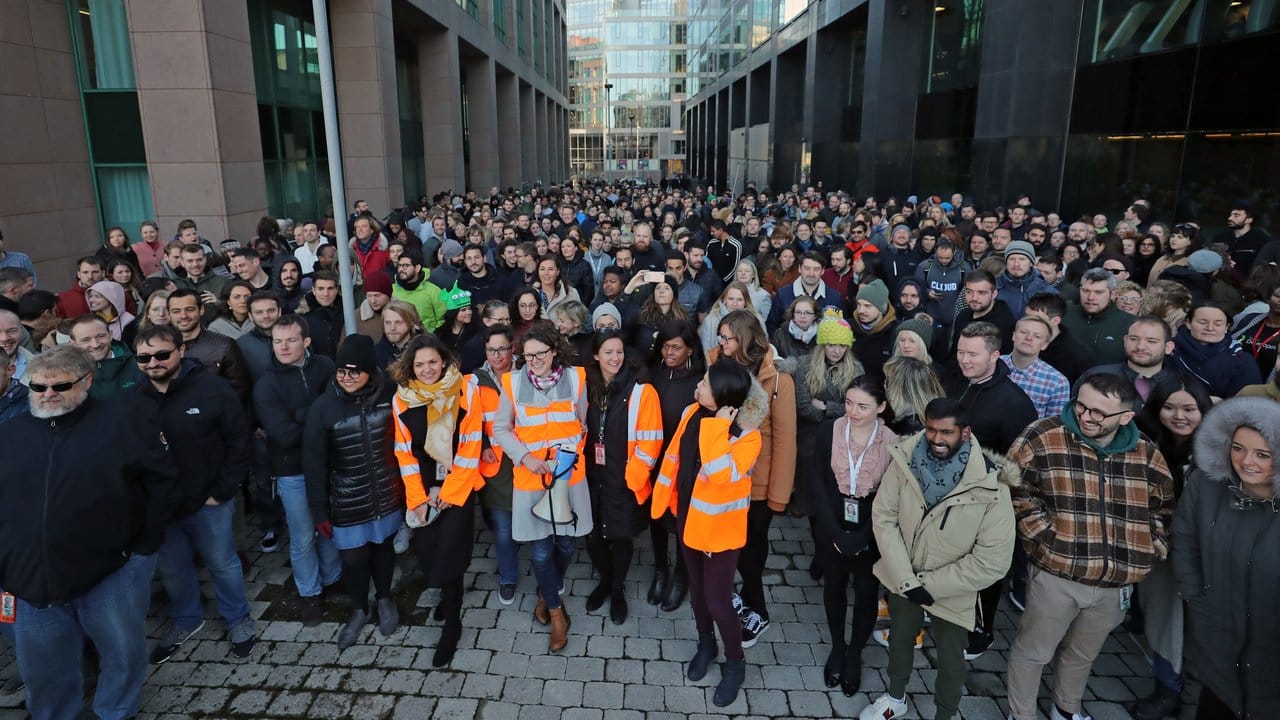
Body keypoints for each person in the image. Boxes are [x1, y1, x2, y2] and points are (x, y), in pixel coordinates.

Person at [0, 346, 175, 720]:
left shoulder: (123, 423)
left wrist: (144, 548)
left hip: (110, 572)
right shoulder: (10, 435)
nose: (48, 394)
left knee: (122, 652)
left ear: (87, 381)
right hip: (29, 581)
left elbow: (162, 484)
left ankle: (116, 710)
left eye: (60, 385)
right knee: (43, 667)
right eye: (38, 386)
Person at [1005, 373, 1175, 720]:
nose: (1085, 416)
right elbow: (1015, 487)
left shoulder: (1146, 453)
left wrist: (1149, 545)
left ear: (1126, 417)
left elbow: (1163, 506)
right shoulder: (1043, 435)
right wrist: (1045, 537)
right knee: (1034, 651)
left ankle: (1066, 709)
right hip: (1057, 574)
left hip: (1115, 584)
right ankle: (1021, 714)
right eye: (1081, 405)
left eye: (1099, 412)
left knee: (1082, 654)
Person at [861, 398, 1015, 720]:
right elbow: (884, 516)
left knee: (951, 659)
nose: (936, 439)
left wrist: (927, 585)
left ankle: (944, 714)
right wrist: (906, 579)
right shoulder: (904, 461)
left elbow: (993, 560)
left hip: (953, 590)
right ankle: (895, 698)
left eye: (946, 432)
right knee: (900, 641)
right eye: (931, 429)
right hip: (903, 579)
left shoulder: (991, 484)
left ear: (966, 432)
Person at [131, 325, 256, 664]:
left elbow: (238, 441)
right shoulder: (132, 399)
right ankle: (188, 619)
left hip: (209, 501)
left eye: (161, 354)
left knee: (223, 564)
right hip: (162, 508)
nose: (153, 362)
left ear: (181, 351)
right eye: (144, 357)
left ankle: (238, 619)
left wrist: (223, 490)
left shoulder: (212, 389)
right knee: (173, 569)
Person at [650, 358, 765, 708]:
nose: (698, 385)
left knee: (718, 600)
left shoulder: (748, 437)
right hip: (688, 520)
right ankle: (706, 643)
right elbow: (676, 459)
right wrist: (667, 501)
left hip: (721, 532)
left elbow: (720, 474)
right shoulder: (690, 413)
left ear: (724, 396)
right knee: (698, 592)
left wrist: (717, 428)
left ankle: (735, 663)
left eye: (705, 383)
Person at [1172, 396, 1280, 720]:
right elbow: (1185, 538)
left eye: (1263, 454)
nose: (1246, 461)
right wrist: (1195, 596)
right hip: (1217, 641)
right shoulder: (1206, 485)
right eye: (1237, 448)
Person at [492, 321, 592, 653]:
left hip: (567, 474)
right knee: (539, 549)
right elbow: (501, 429)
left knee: (565, 544)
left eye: (541, 354)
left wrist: (568, 455)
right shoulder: (512, 382)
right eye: (528, 354)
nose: (533, 360)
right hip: (531, 475)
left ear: (554, 351)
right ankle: (555, 610)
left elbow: (582, 424)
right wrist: (524, 457)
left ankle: (546, 591)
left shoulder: (577, 378)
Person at [303, 335, 403, 650]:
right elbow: (314, 463)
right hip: (347, 500)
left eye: (354, 372)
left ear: (369, 372)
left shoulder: (388, 395)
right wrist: (319, 510)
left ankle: (385, 597)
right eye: (341, 372)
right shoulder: (323, 407)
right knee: (354, 560)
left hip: (385, 493)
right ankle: (359, 608)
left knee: (383, 550)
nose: (346, 378)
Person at [709, 309, 796, 646]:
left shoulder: (778, 380)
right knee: (733, 547)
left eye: (727, 338)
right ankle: (743, 602)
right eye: (720, 337)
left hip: (759, 483)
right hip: (727, 476)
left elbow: (786, 441)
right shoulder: (718, 364)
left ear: (743, 339)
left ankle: (757, 608)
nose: (721, 343)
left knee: (752, 550)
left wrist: (779, 496)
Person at [1128, 377, 1212, 720]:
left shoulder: (1217, 451)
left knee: (1180, 623)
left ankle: (1173, 690)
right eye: (1170, 407)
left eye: (1190, 408)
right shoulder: (1142, 441)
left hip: (1197, 550)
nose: (1180, 416)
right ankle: (1169, 683)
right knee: (1161, 616)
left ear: (1203, 410)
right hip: (1154, 544)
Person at [812, 376, 898, 697]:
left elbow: (890, 498)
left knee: (865, 592)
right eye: (849, 403)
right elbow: (818, 483)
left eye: (863, 406)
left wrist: (863, 536)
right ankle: (837, 646)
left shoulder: (892, 442)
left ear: (881, 408)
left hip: (871, 525)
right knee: (833, 586)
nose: (853, 411)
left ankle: (855, 653)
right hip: (833, 521)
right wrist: (834, 532)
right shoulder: (828, 431)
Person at [252, 315, 341, 627]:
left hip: (331, 462)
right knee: (303, 535)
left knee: (330, 525)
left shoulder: (326, 366)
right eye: (277, 341)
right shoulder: (266, 384)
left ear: (306, 342)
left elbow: (339, 407)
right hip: (293, 470)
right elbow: (284, 435)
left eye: (290, 340)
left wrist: (302, 415)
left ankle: (333, 578)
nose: (283, 347)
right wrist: (316, 411)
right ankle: (309, 592)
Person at [390, 334, 472, 667]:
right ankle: (446, 597)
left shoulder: (466, 391)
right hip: (423, 489)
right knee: (429, 551)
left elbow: (470, 445)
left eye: (433, 362)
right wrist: (418, 498)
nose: (427, 369)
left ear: (445, 361)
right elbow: (404, 453)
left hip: (457, 486)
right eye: (420, 364)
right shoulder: (402, 400)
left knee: (452, 554)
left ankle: (452, 624)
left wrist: (449, 492)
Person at [583, 330, 663, 625]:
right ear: (595, 355)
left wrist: (633, 479)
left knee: (621, 537)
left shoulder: (642, 391)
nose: (615, 358)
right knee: (593, 538)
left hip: (624, 478)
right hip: (591, 476)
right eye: (608, 352)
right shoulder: (585, 386)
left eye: (619, 352)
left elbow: (650, 442)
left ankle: (617, 590)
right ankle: (605, 581)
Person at [453, 325, 519, 604]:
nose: (497, 355)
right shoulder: (473, 383)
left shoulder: (526, 375)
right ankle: (508, 576)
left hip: (526, 460)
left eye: (502, 349)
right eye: (491, 350)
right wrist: (482, 446)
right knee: (503, 529)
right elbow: (467, 422)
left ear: (512, 349)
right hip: (495, 466)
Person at [645, 320, 706, 611]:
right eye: (666, 346)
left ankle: (683, 575)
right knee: (656, 516)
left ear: (690, 350)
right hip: (656, 459)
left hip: (685, 463)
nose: (669, 352)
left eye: (676, 348)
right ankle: (660, 568)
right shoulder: (653, 374)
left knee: (681, 519)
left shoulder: (699, 380)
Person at [166, 289, 251, 406]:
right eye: (176, 311)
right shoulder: (161, 349)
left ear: (201, 310)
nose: (183, 316)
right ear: (168, 314)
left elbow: (240, 391)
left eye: (190, 310)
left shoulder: (224, 345)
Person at [1171, 301, 1262, 400]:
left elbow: (1246, 404)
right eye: (1202, 322)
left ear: (1226, 327)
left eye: (1218, 324)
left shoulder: (1242, 360)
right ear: (1188, 323)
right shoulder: (1169, 351)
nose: (1210, 328)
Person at [1001, 315, 1071, 420]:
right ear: (1013, 336)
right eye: (1024, 332)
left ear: (1044, 345)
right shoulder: (991, 364)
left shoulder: (1057, 382)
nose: (1028, 338)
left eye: (1037, 336)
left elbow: (1054, 426)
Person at [1062, 268, 1133, 366]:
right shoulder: (1063, 314)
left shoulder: (1130, 324)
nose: (1090, 297)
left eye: (1099, 292)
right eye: (1085, 291)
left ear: (1113, 294)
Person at [68, 315, 142, 400]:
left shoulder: (138, 364)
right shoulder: (68, 373)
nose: (95, 345)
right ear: (73, 344)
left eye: (101, 336)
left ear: (110, 335)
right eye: (86, 340)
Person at [883, 355, 945, 435]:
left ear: (901, 388)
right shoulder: (934, 411)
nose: (884, 384)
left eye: (888, 379)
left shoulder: (909, 426)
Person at [850, 279, 899, 377]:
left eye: (867, 306)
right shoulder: (848, 327)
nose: (861, 310)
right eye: (859, 305)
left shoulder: (896, 332)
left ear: (881, 309)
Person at [392, 246, 445, 332]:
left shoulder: (433, 291)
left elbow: (443, 319)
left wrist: (430, 335)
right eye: (399, 265)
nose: (401, 269)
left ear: (417, 268)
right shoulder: (392, 290)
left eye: (406, 266)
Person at [375, 299, 422, 372]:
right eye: (388, 323)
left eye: (398, 322)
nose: (392, 328)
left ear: (411, 323)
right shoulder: (375, 353)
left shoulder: (427, 348)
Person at [770, 295, 820, 360]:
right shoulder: (780, 335)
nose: (802, 316)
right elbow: (775, 363)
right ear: (793, 314)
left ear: (815, 316)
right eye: (798, 312)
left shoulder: (823, 334)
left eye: (807, 313)